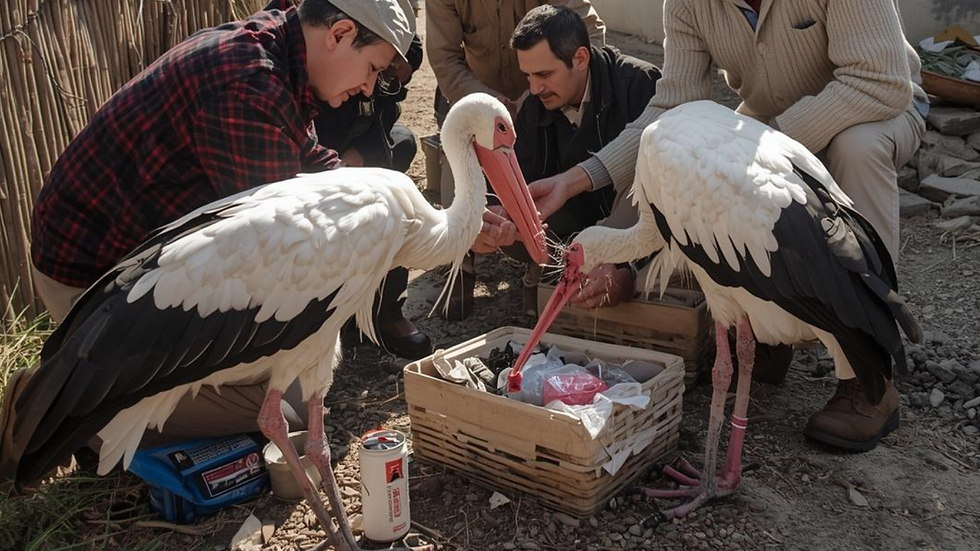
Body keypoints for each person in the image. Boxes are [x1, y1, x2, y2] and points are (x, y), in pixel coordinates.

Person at [1, 0, 417, 477]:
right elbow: (290, 243)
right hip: (98, 289)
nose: (369, 87)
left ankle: (79, 387)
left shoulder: (280, 51)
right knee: (291, 402)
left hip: (151, 269)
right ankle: (59, 402)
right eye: (372, 70)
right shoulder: (246, 87)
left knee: (306, 361)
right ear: (340, 33)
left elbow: (313, 167)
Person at [511, 0, 928, 451]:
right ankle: (776, 320)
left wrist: (763, 153)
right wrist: (575, 181)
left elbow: (880, 82)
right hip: (767, 126)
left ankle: (867, 379)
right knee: (704, 179)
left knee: (856, 150)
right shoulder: (688, 4)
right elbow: (672, 103)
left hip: (874, 107)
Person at [425, 0, 606, 319]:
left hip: (540, 96)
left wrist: (543, 90)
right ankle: (461, 265)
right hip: (473, 94)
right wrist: (492, 105)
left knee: (544, 178)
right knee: (459, 168)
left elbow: (585, 30)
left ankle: (538, 270)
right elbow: (445, 59)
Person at [478, 5, 661, 313]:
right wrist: (496, 217)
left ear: (580, 58)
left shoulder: (641, 86)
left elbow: (664, 203)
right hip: (576, 232)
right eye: (528, 76)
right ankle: (551, 271)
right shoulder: (535, 106)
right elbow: (519, 182)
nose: (534, 89)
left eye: (544, 75)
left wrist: (628, 268)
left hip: (639, 231)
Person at [314, 34, 434, 360]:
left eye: (397, 80)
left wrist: (361, 155)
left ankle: (385, 312)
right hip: (316, 160)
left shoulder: (381, 87)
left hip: (353, 153)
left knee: (390, 199)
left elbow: (385, 118)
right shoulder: (321, 70)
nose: (381, 83)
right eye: (382, 70)